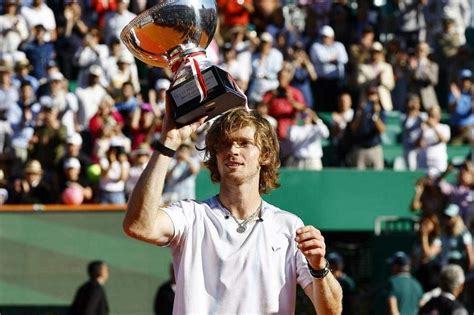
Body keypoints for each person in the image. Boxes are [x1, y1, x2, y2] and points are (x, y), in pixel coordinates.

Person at [124, 107, 343, 314]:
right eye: (225, 144)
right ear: (215, 156)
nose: (233, 150)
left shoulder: (289, 226)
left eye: (244, 143)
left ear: (264, 155)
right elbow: (139, 225)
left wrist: (318, 266)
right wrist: (167, 143)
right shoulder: (191, 215)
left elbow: (331, 310)